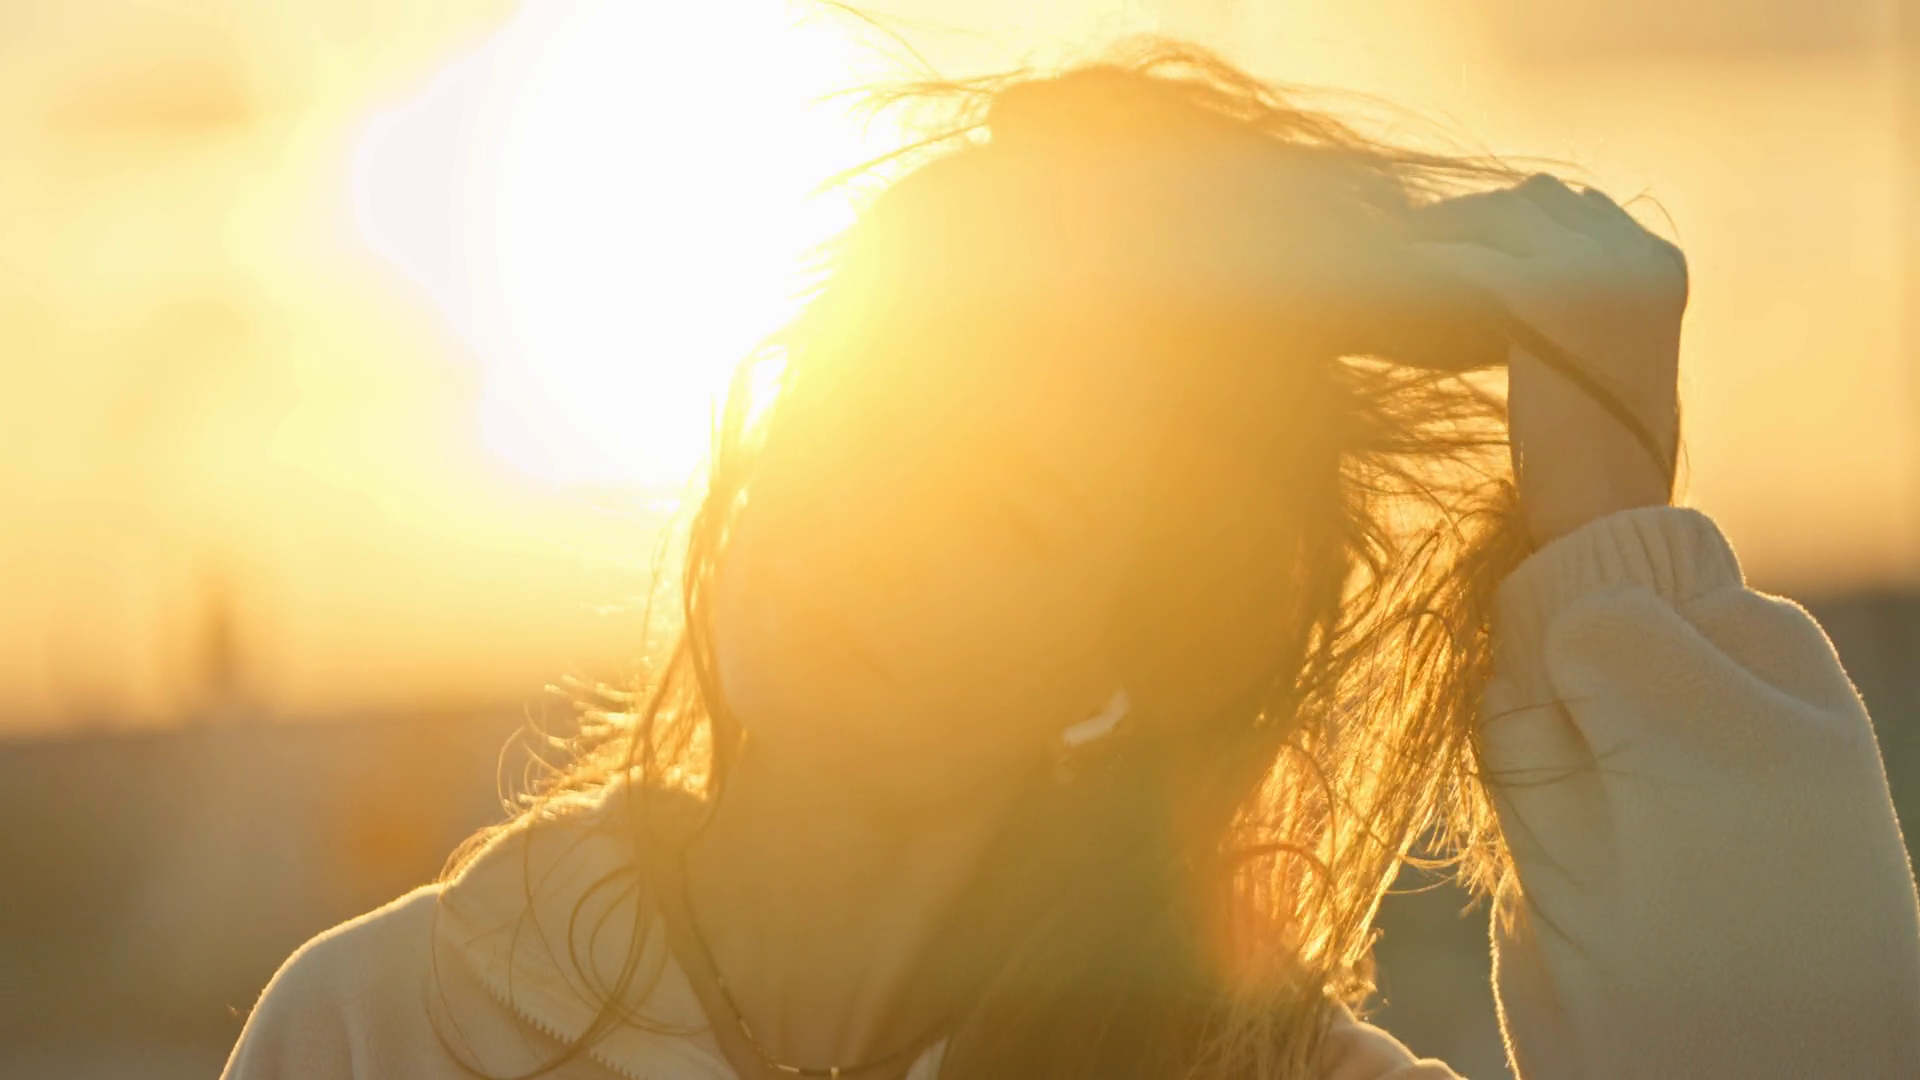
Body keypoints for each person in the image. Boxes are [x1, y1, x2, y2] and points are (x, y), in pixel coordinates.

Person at [219, 42, 1920, 1080]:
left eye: (996, 507)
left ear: (1135, 660)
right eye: (856, 419)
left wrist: (1607, 513)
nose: (857, 520)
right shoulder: (383, 1030)